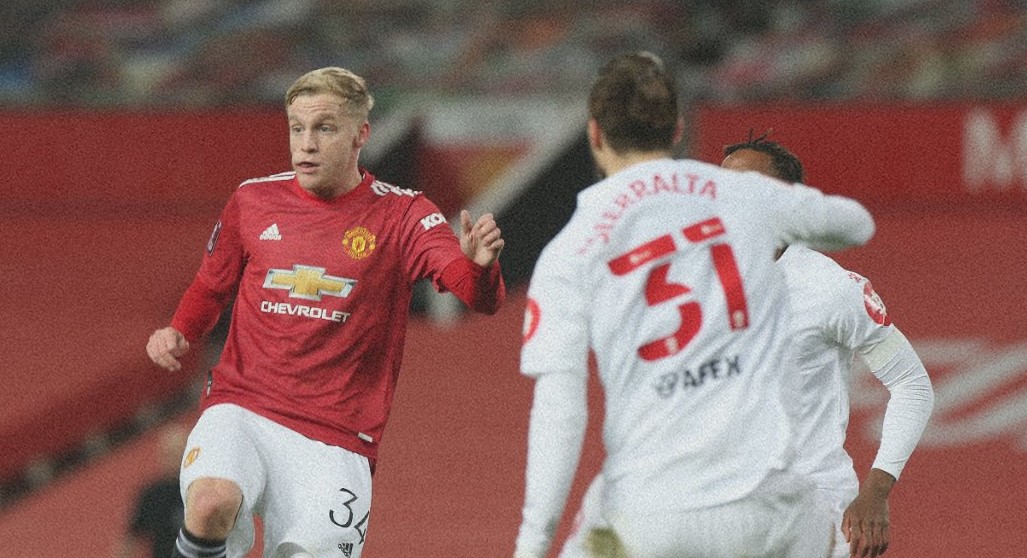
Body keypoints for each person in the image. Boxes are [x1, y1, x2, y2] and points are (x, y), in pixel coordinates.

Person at [514, 52, 876, 558]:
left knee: (596, 532)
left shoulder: (569, 251)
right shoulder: (745, 195)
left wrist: (531, 545)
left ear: (594, 135)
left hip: (650, 516)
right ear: (679, 129)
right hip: (770, 513)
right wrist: (778, 211)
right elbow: (857, 224)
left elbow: (560, 410)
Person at [146, 66, 506, 558]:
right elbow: (213, 283)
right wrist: (180, 328)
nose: (306, 144)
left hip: (336, 436)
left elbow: (477, 296)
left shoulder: (404, 214)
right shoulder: (253, 199)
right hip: (242, 405)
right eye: (297, 128)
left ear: (361, 135)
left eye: (324, 128)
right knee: (210, 502)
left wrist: (479, 267)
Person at [557, 133, 935, 558]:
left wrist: (877, 489)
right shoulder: (692, 281)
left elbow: (912, 384)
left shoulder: (829, 288)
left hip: (814, 505)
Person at [114, 424, 189, 558]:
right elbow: (131, 537)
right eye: (167, 454)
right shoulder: (151, 494)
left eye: (177, 453)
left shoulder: (197, 488)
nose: (171, 459)